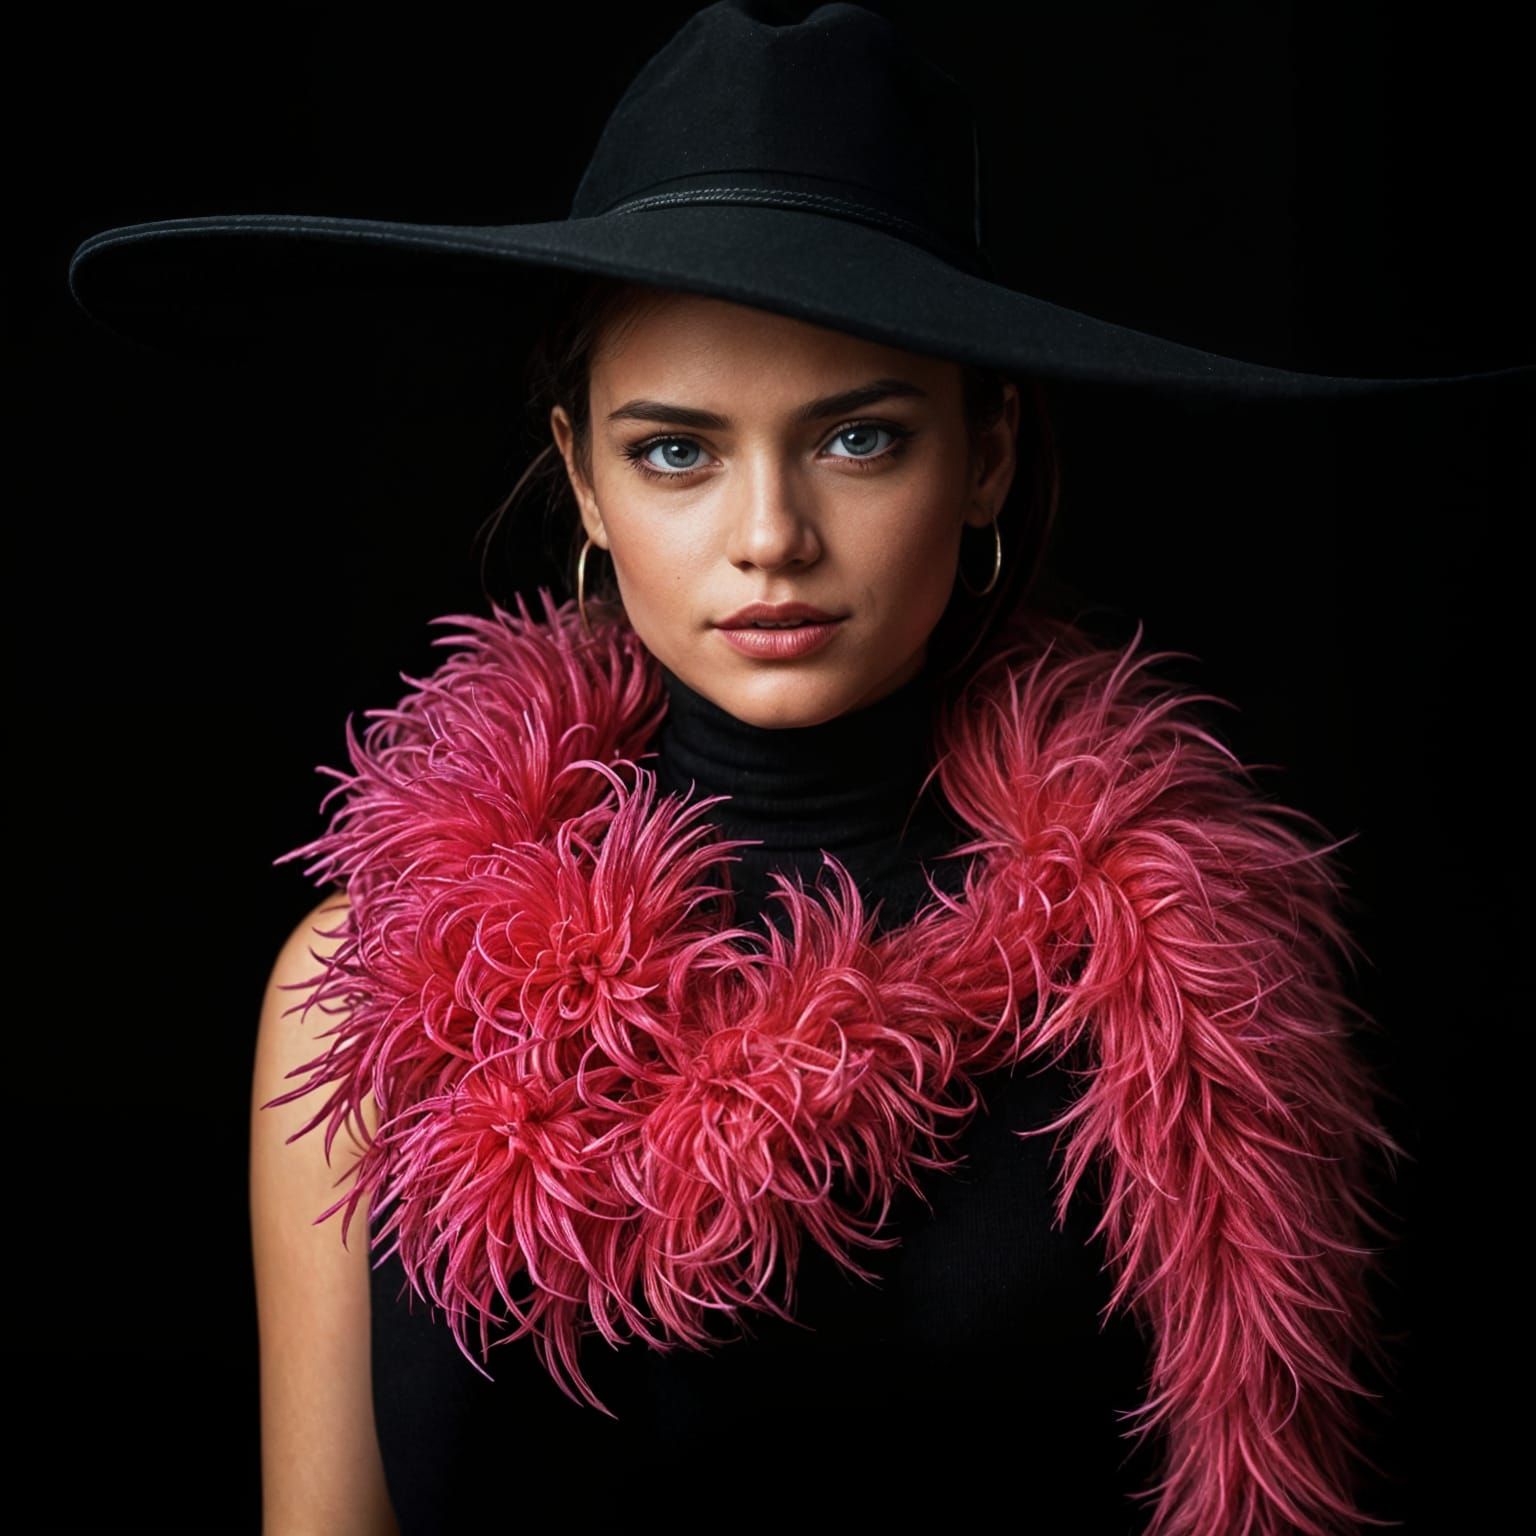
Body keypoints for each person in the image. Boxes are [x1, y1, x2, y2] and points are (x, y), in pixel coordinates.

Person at [65, 5, 1530, 1533]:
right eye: (677, 452)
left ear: (990, 457)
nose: (770, 535)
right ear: (582, 474)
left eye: (858, 441)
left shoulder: (1184, 993)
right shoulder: (364, 984)